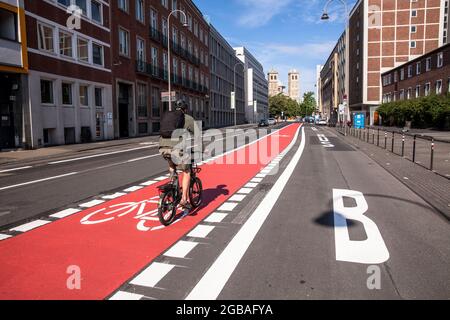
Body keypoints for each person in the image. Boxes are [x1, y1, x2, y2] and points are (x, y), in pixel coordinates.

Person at [159, 99, 195, 209]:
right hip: (177, 149)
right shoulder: (188, 118)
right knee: (187, 171)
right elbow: (196, 135)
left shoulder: (168, 117)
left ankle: (172, 185)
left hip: (163, 147)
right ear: (185, 109)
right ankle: (184, 199)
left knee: (171, 165)